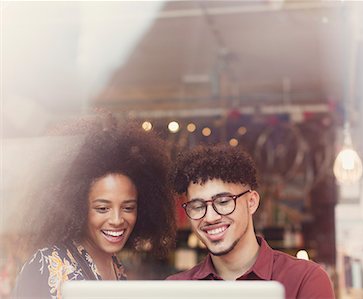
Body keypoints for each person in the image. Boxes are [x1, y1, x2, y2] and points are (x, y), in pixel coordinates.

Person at [12, 118, 176, 298]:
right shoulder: (45, 264)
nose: (116, 220)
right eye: (102, 208)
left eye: (128, 208)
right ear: (78, 208)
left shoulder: (115, 265)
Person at [167, 144, 335, 299]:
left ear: (251, 202)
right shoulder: (176, 289)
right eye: (197, 206)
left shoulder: (304, 279)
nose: (210, 217)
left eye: (223, 202)